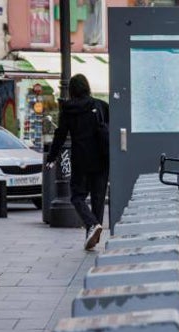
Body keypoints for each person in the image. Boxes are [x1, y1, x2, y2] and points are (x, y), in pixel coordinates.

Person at [46, 74, 109, 251]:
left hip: (81, 158)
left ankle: (91, 226)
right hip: (102, 158)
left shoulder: (68, 109)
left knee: (77, 196)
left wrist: (51, 157)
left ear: (71, 90)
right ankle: (93, 230)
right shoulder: (100, 105)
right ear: (87, 87)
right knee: (98, 198)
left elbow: (60, 135)